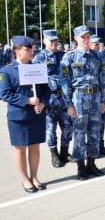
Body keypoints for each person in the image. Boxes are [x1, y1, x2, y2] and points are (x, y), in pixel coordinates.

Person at [0, 36, 49, 193]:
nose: (31, 52)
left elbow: (47, 91)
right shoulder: (6, 70)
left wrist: (43, 103)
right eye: (27, 49)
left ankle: (34, 176)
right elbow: (4, 94)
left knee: (35, 147)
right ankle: (25, 179)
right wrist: (28, 100)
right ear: (17, 51)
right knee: (20, 148)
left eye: (32, 49)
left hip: (36, 114)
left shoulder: (37, 68)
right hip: (18, 116)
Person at [61, 25, 105, 180]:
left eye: (88, 37)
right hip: (78, 98)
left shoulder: (97, 56)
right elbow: (65, 82)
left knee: (94, 132)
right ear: (75, 38)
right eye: (83, 37)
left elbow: (102, 80)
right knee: (79, 134)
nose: (86, 40)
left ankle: (92, 164)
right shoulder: (69, 57)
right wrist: (68, 105)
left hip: (95, 97)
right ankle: (81, 167)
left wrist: (102, 100)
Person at [32, 29, 73, 168]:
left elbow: (70, 76)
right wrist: (39, 100)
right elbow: (35, 83)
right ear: (44, 41)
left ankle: (64, 152)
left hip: (64, 98)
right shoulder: (39, 58)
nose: (54, 43)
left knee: (68, 127)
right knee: (51, 130)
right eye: (51, 41)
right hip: (49, 99)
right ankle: (54, 155)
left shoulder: (64, 56)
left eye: (56, 40)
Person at [90, 36, 105, 156]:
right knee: (91, 125)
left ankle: (100, 145)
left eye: (98, 44)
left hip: (101, 95)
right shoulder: (85, 57)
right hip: (89, 97)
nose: (97, 46)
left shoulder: (101, 57)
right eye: (94, 43)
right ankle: (92, 149)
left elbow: (104, 79)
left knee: (101, 122)